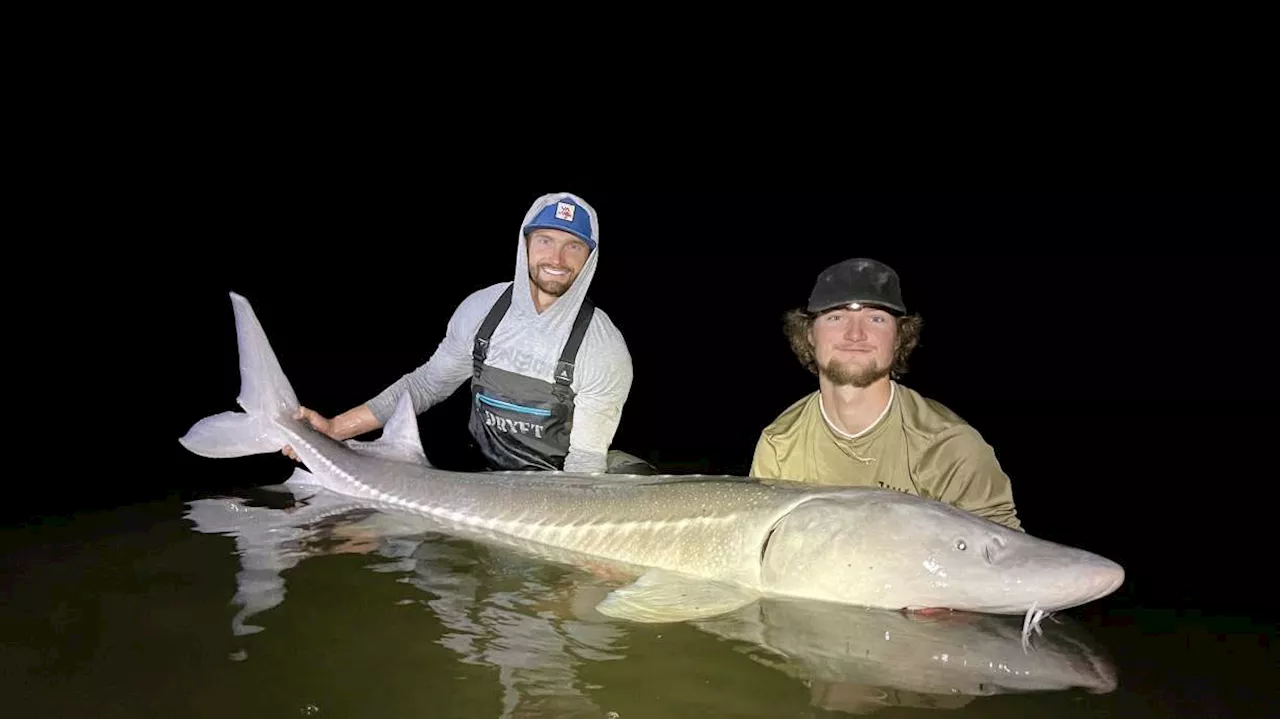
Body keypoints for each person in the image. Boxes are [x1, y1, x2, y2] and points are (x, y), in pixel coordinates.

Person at [287, 192, 653, 475]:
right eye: (545, 240)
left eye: (573, 246)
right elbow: (424, 387)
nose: (557, 259)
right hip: (486, 475)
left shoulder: (603, 348)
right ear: (525, 245)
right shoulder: (482, 311)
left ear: (589, 257)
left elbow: (585, 461)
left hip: (558, 481)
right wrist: (335, 428)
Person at [749, 257, 1023, 531]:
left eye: (876, 318)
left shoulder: (946, 446)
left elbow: (1008, 558)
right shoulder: (780, 445)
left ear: (899, 337)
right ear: (809, 334)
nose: (855, 334)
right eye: (836, 317)